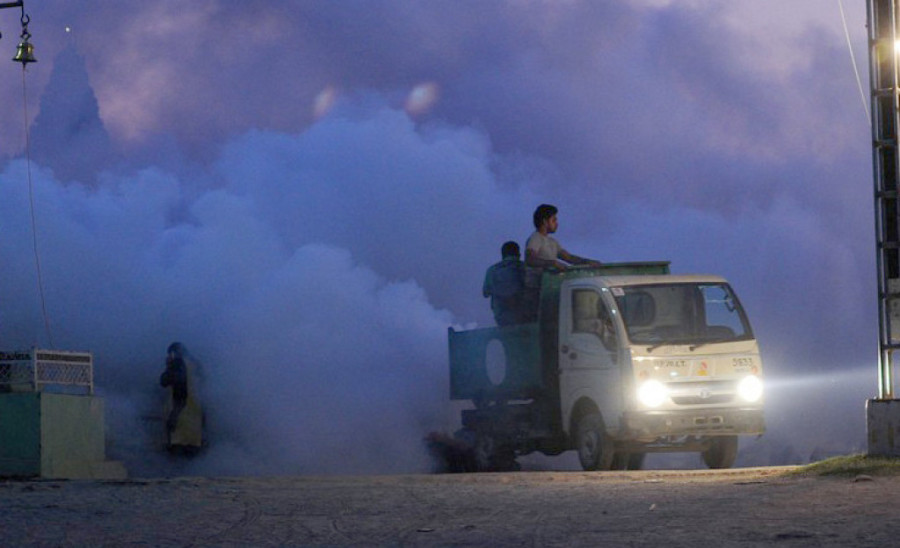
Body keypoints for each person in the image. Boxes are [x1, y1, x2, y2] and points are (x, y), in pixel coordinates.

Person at [523, 204, 602, 320]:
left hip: (548, 289)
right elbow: (530, 259)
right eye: (554, 220)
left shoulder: (552, 242)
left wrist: (587, 262)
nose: (557, 223)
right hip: (537, 292)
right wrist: (552, 263)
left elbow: (568, 258)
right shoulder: (535, 238)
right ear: (545, 221)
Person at [159, 342, 205, 454]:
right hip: (196, 418)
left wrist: (168, 366)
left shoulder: (177, 364)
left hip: (180, 416)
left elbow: (164, 381)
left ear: (174, 354)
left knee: (177, 457)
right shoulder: (196, 364)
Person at [483, 241, 526, 326]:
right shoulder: (526, 268)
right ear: (519, 255)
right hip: (525, 316)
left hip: (501, 317)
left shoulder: (492, 270)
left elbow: (485, 293)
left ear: (502, 255)